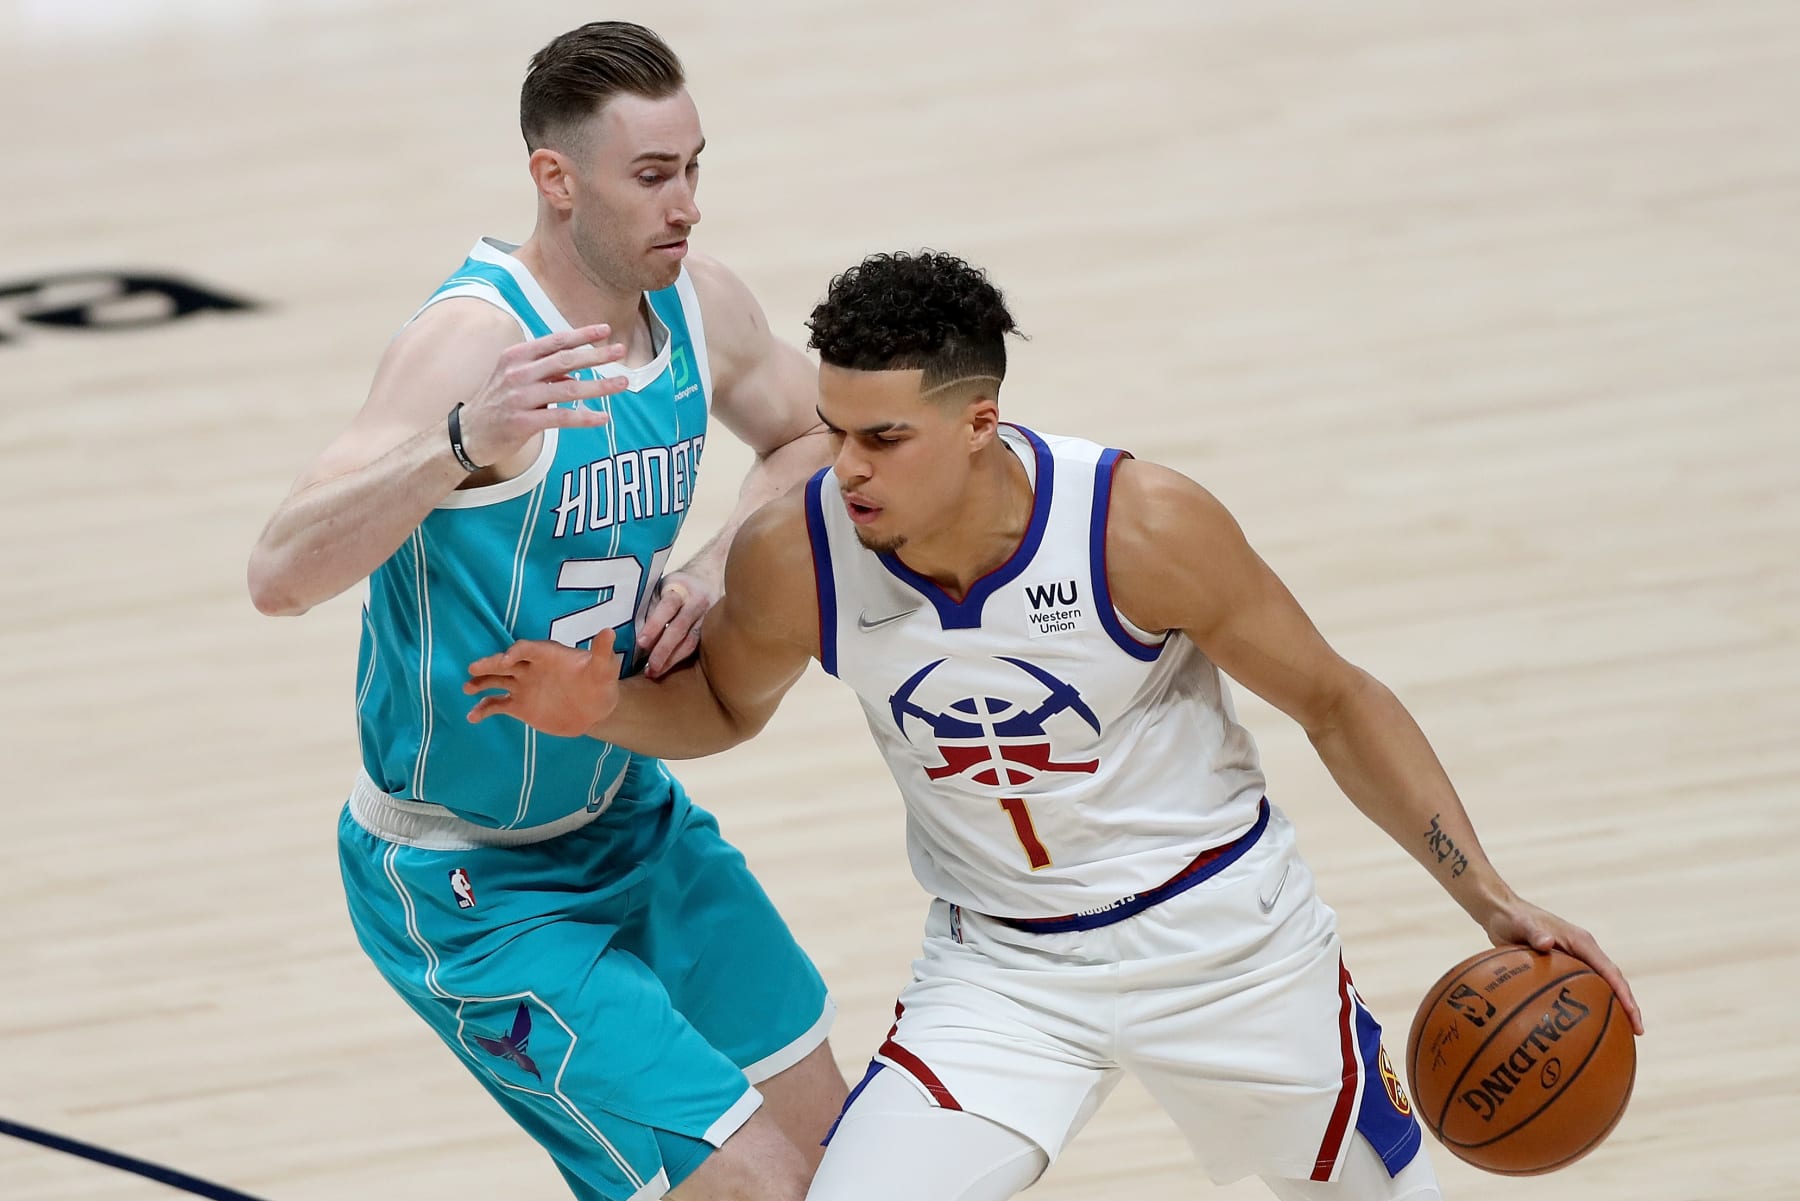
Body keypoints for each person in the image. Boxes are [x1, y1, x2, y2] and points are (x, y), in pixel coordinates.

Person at [461, 251, 1646, 1201]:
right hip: (1004, 970)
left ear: (979, 420)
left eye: (883, 439)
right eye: (832, 430)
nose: (844, 469)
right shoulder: (800, 555)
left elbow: (1336, 700)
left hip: (1224, 945)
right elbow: (723, 705)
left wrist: (1491, 898)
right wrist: (608, 705)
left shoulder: (1141, 525)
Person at [245, 21, 847, 1201]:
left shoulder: (700, 306)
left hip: (632, 816)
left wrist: (722, 556)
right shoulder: (472, 340)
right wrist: (458, 445)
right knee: (756, 1190)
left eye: (693, 170)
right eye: (652, 177)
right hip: (470, 884)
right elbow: (280, 572)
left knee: (851, 1166)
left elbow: (816, 431)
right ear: (555, 178)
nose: (686, 207)